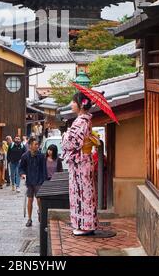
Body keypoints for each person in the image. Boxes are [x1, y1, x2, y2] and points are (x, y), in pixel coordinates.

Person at [61, 91, 99, 236]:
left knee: (82, 192)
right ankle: (86, 223)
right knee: (84, 191)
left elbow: (71, 143)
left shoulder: (81, 121)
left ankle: (85, 225)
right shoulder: (85, 120)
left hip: (81, 162)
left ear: (81, 105)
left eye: (74, 102)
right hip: (83, 161)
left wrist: (65, 135)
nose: (71, 104)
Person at [19, 137, 47, 227]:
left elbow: (44, 169)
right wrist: (22, 174)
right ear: (30, 146)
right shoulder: (25, 156)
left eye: (37, 144)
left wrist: (44, 180)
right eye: (35, 144)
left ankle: (40, 212)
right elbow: (21, 168)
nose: (37, 146)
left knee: (39, 199)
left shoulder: (41, 156)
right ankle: (29, 219)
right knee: (30, 200)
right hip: (30, 181)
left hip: (39, 180)